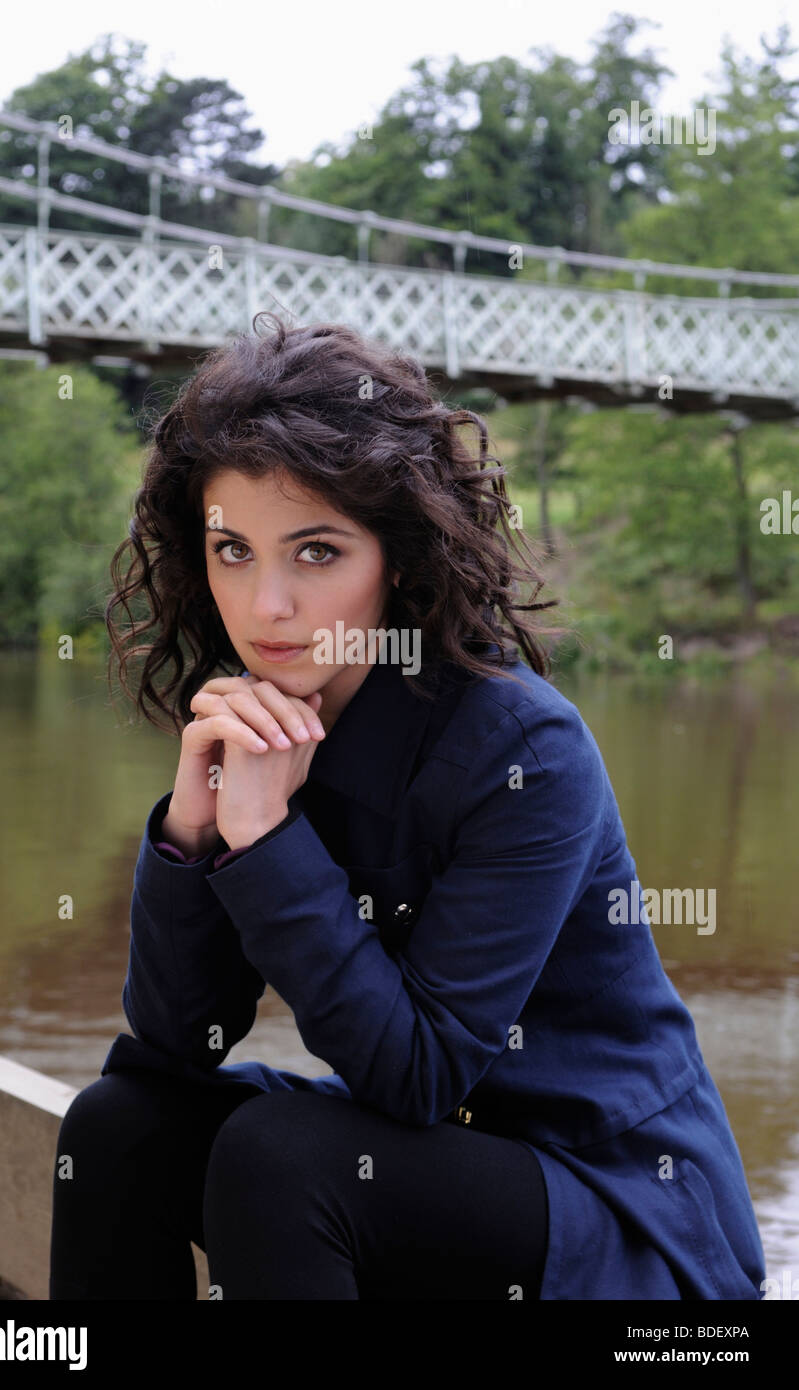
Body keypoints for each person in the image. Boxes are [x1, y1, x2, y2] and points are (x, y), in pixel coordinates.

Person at [49, 312, 766, 1301]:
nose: (265, 610)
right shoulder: (261, 724)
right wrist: (192, 832)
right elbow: (172, 1049)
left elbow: (419, 1072)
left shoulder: (521, 749)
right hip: (424, 1167)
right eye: (232, 550)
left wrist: (264, 840)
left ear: (395, 552)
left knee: (282, 1155)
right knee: (116, 1126)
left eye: (314, 553)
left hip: (614, 1209)